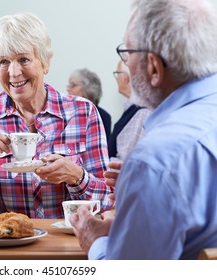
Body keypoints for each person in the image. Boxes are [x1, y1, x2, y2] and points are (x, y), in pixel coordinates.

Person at [70, 0, 217, 259]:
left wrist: (94, 241)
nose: (125, 63)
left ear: (153, 67)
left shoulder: (154, 162)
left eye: (127, 52)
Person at [0, 12, 113, 219]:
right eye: (4, 62)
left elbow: (106, 202)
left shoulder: (83, 113)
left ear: (45, 62)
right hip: (7, 246)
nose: (13, 72)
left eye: (24, 59)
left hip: (69, 247)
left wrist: (77, 176)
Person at [108, 61, 151, 160]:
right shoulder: (133, 109)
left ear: (125, 78)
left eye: (117, 74)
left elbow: (124, 160)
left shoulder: (142, 112)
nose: (116, 79)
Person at [67, 68, 112, 141]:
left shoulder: (103, 117)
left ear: (88, 89)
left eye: (73, 85)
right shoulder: (65, 113)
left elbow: (105, 150)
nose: (68, 89)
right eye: (69, 85)